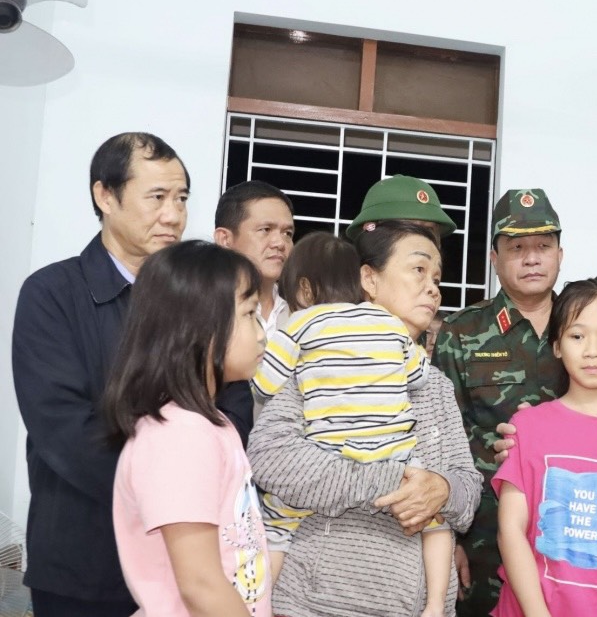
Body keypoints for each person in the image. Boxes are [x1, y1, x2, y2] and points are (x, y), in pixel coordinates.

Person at [247, 220, 481, 616]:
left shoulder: (436, 384)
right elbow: (270, 459)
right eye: (418, 270)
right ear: (368, 279)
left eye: (438, 277)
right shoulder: (317, 359)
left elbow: (468, 488)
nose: (433, 287)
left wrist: (441, 489)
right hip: (320, 603)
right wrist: (397, 480)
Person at [12, 132, 189, 616]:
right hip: (83, 565)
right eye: (157, 197)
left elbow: (230, 403)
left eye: (181, 198)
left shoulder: (194, 303)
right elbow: (64, 429)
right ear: (105, 196)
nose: (173, 215)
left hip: (185, 566)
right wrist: (175, 493)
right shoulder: (51, 294)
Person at [105, 240, 271, 616]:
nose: (261, 333)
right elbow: (200, 584)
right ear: (200, 329)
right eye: (248, 314)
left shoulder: (211, 424)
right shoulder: (179, 435)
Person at [433, 188, 565, 616]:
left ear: (560, 253)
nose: (532, 258)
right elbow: (437, 444)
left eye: (543, 246)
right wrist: (446, 539)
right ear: (494, 257)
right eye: (517, 247)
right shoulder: (461, 332)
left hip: (569, 534)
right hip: (483, 541)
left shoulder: (586, 325)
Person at [493, 277, 597, 617]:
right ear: (558, 344)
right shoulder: (528, 426)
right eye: (577, 336)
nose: (592, 351)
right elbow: (511, 530)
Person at [212, 180, 296, 441]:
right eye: (265, 229)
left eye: (287, 233)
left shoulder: (305, 316)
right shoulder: (203, 314)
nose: (279, 243)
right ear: (224, 239)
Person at [345, 174, 458, 357]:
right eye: (418, 269)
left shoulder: (433, 366)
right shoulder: (325, 344)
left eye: (431, 232)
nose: (433, 290)